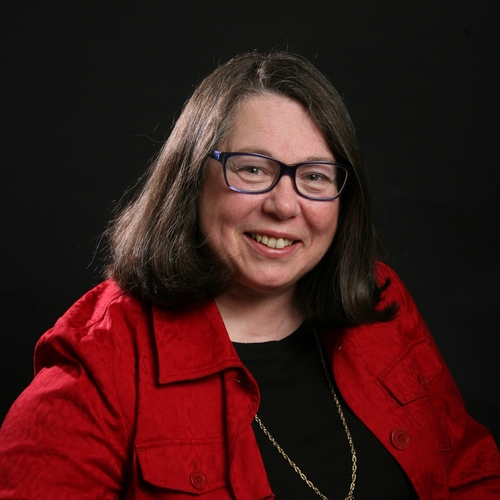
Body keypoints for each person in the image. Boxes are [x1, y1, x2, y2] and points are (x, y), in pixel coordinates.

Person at [0, 51, 499, 500]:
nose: (285, 205)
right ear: (192, 177)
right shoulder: (102, 358)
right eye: (253, 169)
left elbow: (472, 473)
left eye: (315, 176)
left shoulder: (380, 301)